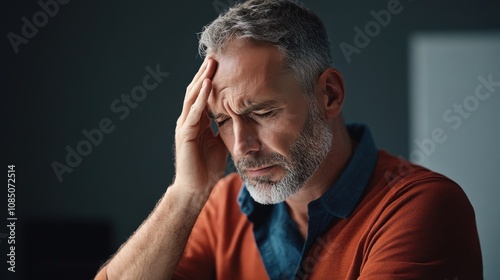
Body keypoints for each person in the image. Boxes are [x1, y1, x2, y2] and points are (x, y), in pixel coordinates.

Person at [94, 0, 482, 279]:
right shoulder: (219, 209)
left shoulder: (421, 207)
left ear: (328, 94)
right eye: (223, 120)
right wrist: (186, 195)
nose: (241, 145)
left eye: (262, 112)